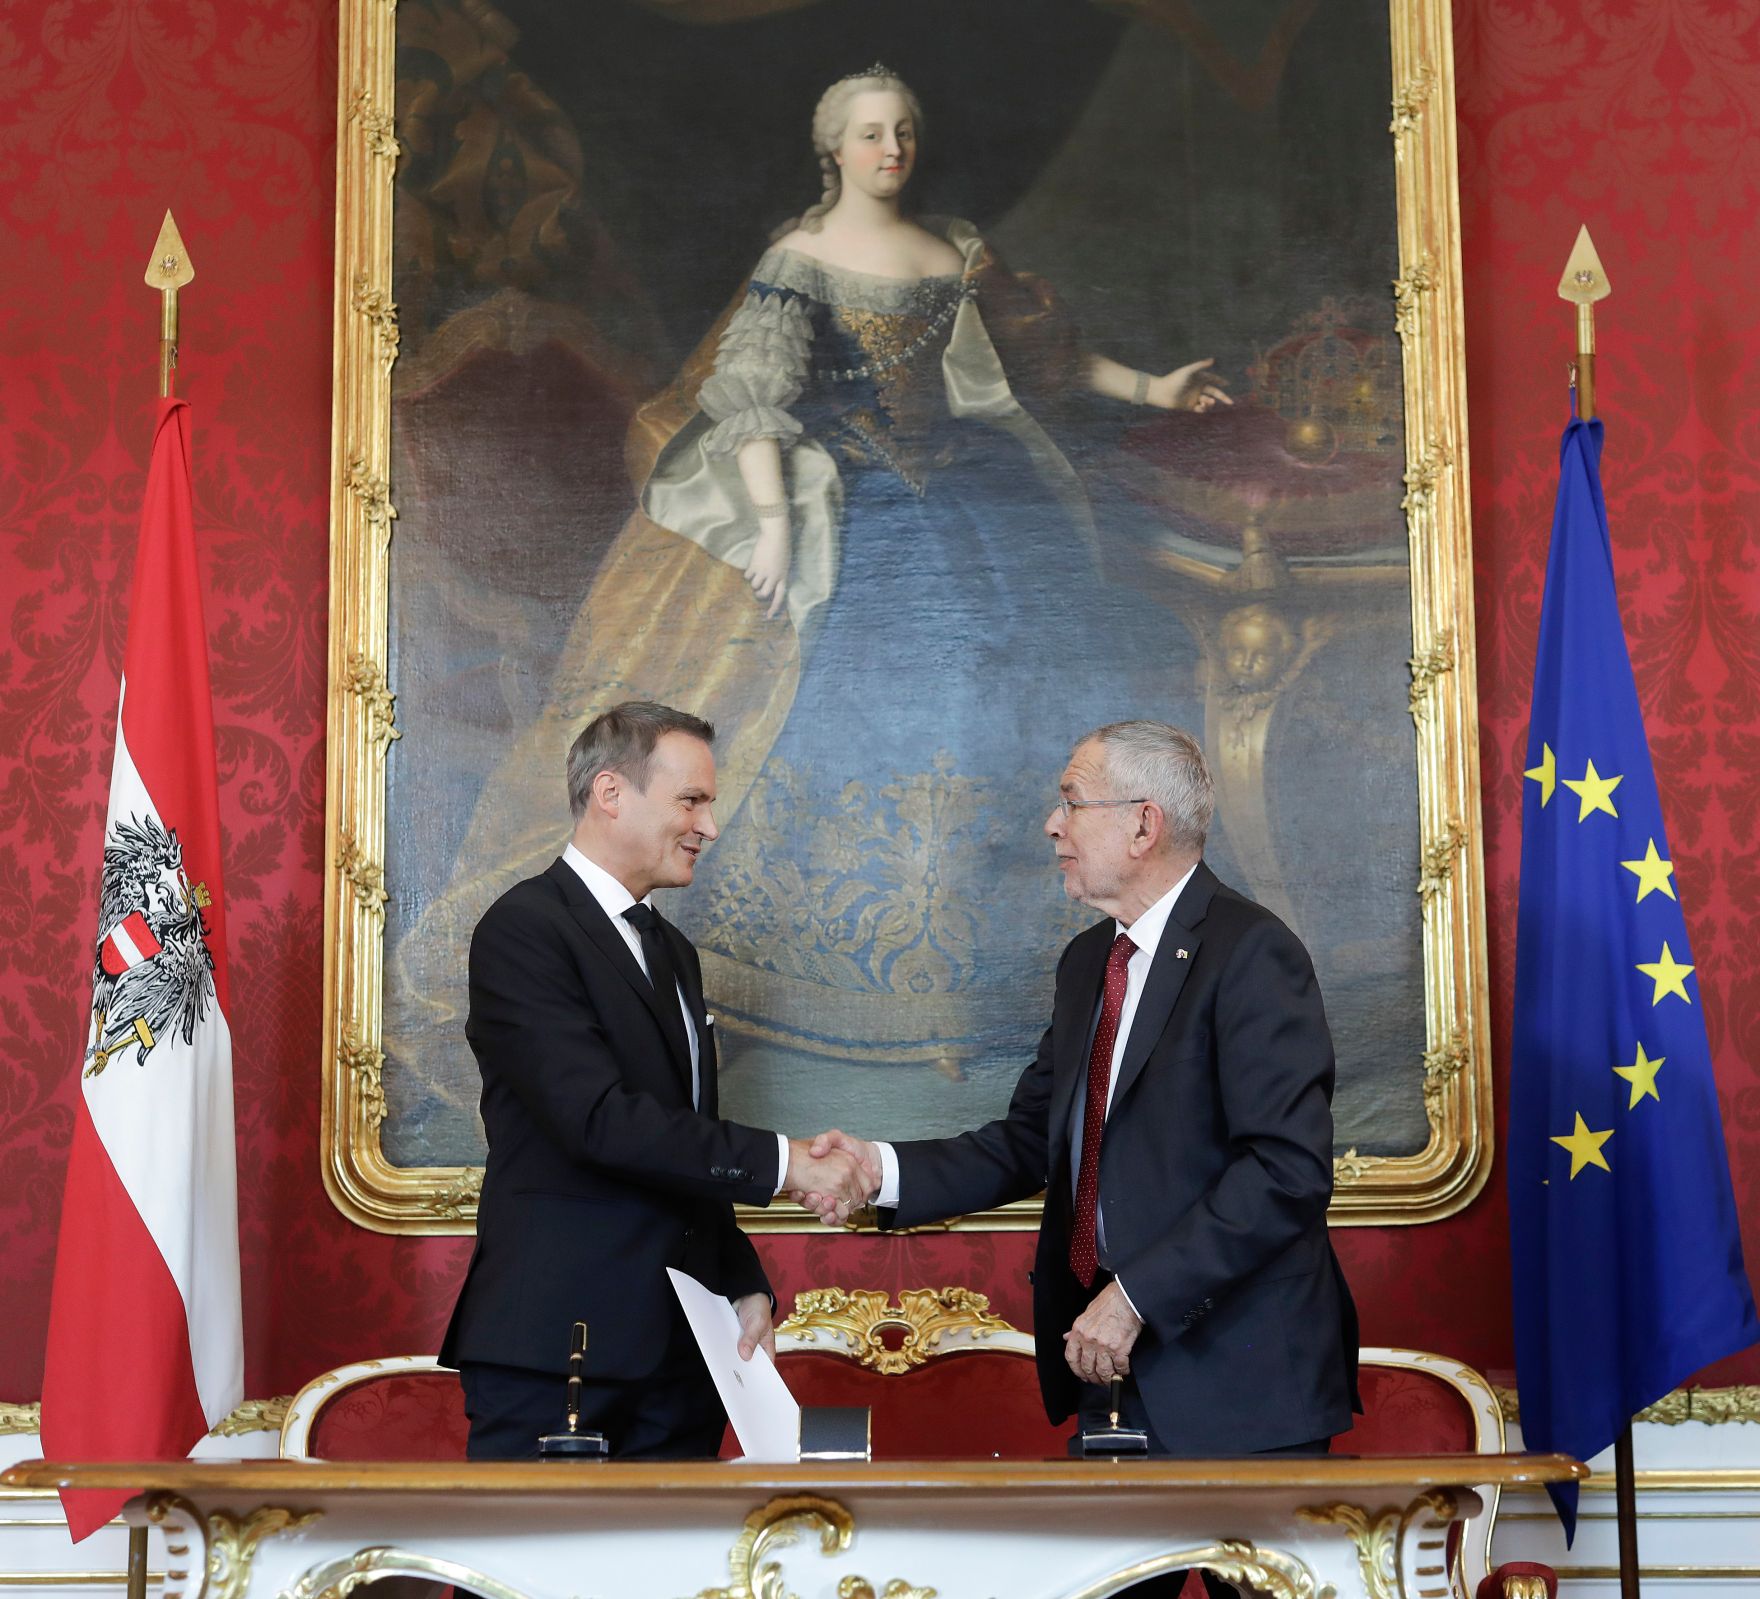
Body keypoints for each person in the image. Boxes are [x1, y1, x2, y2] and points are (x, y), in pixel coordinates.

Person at [390, 64, 1232, 1106]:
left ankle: (991, 973)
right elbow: (748, 397)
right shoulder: (800, 256)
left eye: (905, 132)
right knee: (834, 692)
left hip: (967, 495)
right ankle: (798, 980)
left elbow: (1042, 357)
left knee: (1012, 686)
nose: (892, 150)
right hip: (846, 501)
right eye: (871, 134)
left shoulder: (954, 247)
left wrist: (1154, 387)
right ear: (831, 148)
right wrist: (779, 532)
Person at [808, 720, 1360, 1466]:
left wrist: (1134, 1297)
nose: (1052, 823)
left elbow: (1284, 1171)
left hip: (1242, 1383)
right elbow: (1033, 1139)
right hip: (1111, 1375)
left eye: (1072, 801)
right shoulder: (1087, 963)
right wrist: (880, 1168)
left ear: (1143, 823)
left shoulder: (1252, 951)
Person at [438, 701, 870, 1459]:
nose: (709, 825)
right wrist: (786, 1161)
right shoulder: (525, 930)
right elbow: (598, 1119)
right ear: (611, 793)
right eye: (692, 800)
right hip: (560, 1354)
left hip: (679, 1358)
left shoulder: (672, 949)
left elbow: (678, 1137)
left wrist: (739, 1277)